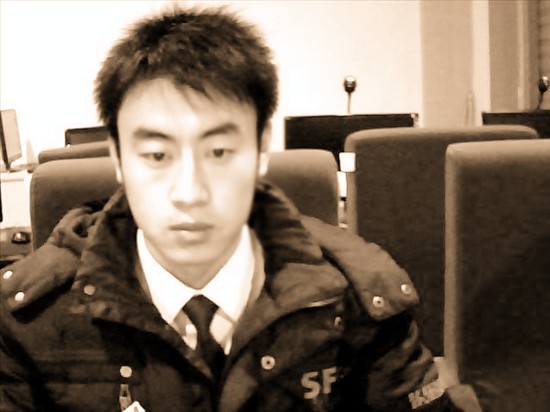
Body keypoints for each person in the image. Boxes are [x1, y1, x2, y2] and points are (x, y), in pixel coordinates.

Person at [0, 6, 480, 411]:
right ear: (119, 158)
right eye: (157, 155)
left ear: (261, 149)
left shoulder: (358, 298)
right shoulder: (28, 322)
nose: (189, 190)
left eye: (219, 151)